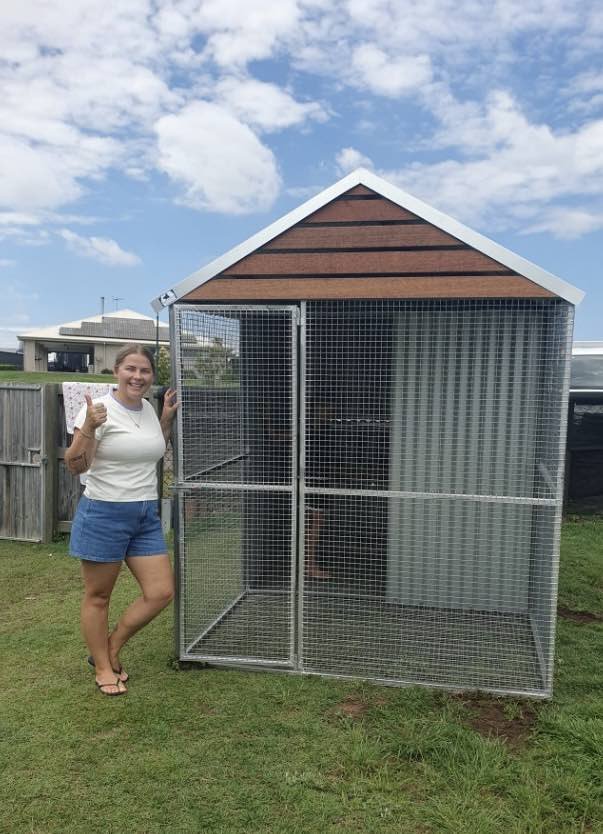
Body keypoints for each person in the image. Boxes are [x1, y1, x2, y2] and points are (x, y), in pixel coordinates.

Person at [65, 343, 179, 696]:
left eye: (145, 371)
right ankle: (102, 666)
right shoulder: (98, 410)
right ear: (116, 371)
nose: (138, 376)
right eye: (131, 368)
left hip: (144, 513)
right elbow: (75, 466)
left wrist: (164, 420)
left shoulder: (146, 408)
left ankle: (111, 646)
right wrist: (88, 428)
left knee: (161, 592)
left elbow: (147, 450)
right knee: (99, 596)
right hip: (104, 513)